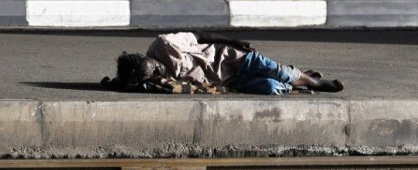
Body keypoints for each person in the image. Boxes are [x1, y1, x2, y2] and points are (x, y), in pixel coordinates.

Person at [115, 31, 344, 95]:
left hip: (231, 59)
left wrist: (235, 42)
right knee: (273, 87)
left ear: (145, 57)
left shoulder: (163, 44)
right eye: (153, 74)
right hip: (228, 79)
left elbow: (201, 36)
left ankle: (315, 81)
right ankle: (301, 77)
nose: (159, 71)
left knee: (280, 73)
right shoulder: (152, 79)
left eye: (155, 67)